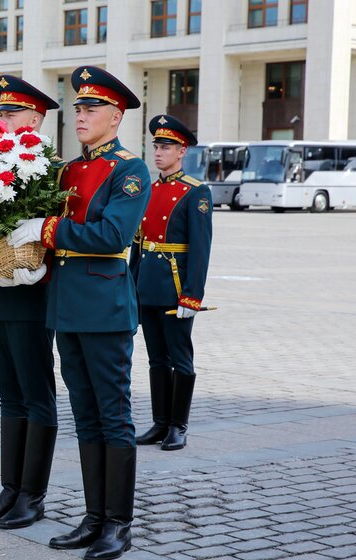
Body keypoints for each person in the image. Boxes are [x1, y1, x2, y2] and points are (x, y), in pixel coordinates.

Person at [7, 66, 150, 559]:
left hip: (105, 308)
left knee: (113, 416)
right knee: (85, 417)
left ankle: (119, 523)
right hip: (66, 307)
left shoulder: (129, 170)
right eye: (78, 109)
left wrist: (48, 230)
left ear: (116, 115)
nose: (81, 116)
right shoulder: (69, 169)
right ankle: (94, 517)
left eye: (91, 109)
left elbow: (111, 236)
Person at [0, 75, 59, 530]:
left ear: (36, 119)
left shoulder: (49, 164)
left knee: (35, 394)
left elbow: (56, 226)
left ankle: (32, 494)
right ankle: (10, 488)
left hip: (29, 294)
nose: (2, 119)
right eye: (0, 112)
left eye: (12, 113)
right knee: (8, 396)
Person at [131, 114, 212, 454]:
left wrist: (192, 296)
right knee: (155, 359)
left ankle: (178, 426)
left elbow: (201, 249)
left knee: (180, 358)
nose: (159, 152)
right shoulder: (149, 190)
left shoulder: (196, 192)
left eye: (166, 147)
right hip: (148, 285)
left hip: (175, 287)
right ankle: (160, 421)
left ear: (182, 151)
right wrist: (130, 288)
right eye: (156, 146)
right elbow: (137, 244)